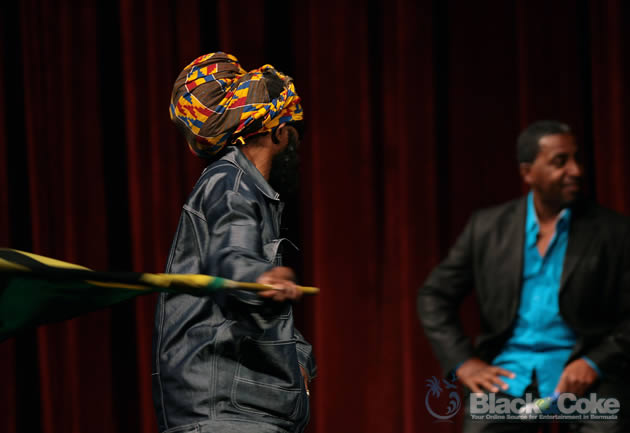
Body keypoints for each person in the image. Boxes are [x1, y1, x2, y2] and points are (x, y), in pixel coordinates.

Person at [417, 120, 630, 432]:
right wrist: (463, 361)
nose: (576, 170)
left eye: (577, 159)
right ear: (528, 172)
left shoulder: (614, 231)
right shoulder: (487, 228)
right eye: (560, 161)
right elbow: (434, 295)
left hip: (586, 377)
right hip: (509, 377)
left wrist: (595, 362)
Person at [152, 52, 316, 433]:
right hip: (227, 417)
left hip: (237, 412)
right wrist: (259, 278)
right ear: (277, 132)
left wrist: (300, 360)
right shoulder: (232, 184)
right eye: (295, 130)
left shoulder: (244, 188)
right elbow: (232, 256)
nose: (298, 142)